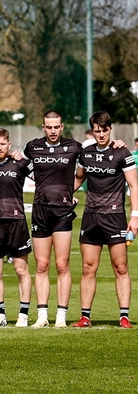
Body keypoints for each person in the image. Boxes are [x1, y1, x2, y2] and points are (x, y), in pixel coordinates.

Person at [71, 111, 137, 328]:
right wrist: (63, 196)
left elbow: (134, 185)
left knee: (121, 267)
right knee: (88, 268)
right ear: (93, 130)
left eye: (104, 130)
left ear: (110, 129)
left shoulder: (122, 152)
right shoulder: (86, 153)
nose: (101, 134)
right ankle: (85, 317)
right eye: (97, 131)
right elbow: (79, 178)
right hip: (90, 217)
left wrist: (135, 216)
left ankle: (124, 316)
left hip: (115, 217)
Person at [20, 111, 83, 328]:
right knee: (41, 265)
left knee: (62, 265)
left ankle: (62, 316)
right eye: (49, 127)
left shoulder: (74, 147)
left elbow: (86, 169)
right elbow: (18, 164)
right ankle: (42, 315)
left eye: (56, 127)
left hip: (63, 212)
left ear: (62, 126)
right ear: (43, 127)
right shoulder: (32, 147)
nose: (53, 131)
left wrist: (69, 189)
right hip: (40, 211)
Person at [0, 128, 33, 327]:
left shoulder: (20, 164)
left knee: (21, 270)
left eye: (3, 143)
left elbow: (43, 177)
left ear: (9, 145)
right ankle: (0, 315)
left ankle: (23, 315)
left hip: (16, 221)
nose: (0, 147)